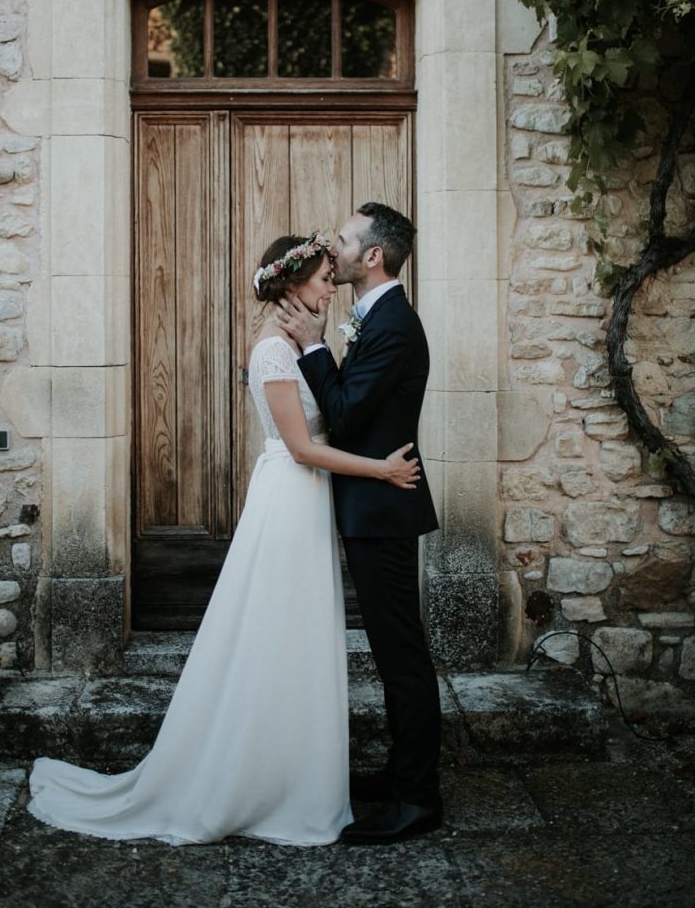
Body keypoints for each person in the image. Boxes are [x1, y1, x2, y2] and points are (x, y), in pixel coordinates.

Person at [26, 232, 421, 846]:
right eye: (321, 278)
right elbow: (302, 446)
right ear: (293, 286)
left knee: (299, 640)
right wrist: (382, 469)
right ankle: (260, 781)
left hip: (309, 498)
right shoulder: (273, 352)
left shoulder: (300, 343)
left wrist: (319, 350)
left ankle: (299, 776)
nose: (329, 286)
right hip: (293, 495)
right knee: (277, 636)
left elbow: (340, 410)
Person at [277, 202, 442, 845]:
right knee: (390, 650)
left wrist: (315, 347)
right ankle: (403, 775)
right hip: (373, 507)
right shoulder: (377, 320)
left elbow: (345, 417)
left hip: (383, 511)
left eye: (344, 240)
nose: (333, 248)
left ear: (373, 256)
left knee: (401, 656)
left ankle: (418, 798)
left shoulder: (395, 325)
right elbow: (358, 407)